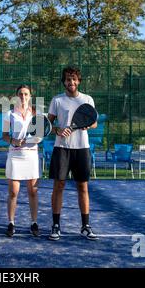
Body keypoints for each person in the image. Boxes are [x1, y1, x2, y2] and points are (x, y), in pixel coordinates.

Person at [47, 67, 98, 241]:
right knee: (58, 186)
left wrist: (87, 125)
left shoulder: (87, 99)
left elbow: (94, 123)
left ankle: (85, 226)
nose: (71, 82)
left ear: (79, 81)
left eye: (74, 79)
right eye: (68, 79)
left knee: (82, 187)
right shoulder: (57, 100)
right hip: (61, 148)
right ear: (64, 82)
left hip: (82, 149)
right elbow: (47, 125)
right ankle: (55, 225)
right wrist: (58, 130)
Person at [2, 85, 40, 237]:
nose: (23, 97)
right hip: (15, 156)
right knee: (13, 192)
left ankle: (34, 222)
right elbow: (4, 135)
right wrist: (13, 140)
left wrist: (31, 139)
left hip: (31, 155)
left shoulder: (37, 113)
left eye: (26, 94)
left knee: (33, 191)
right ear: (16, 96)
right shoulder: (9, 114)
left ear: (30, 96)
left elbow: (40, 135)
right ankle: (11, 223)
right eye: (20, 94)